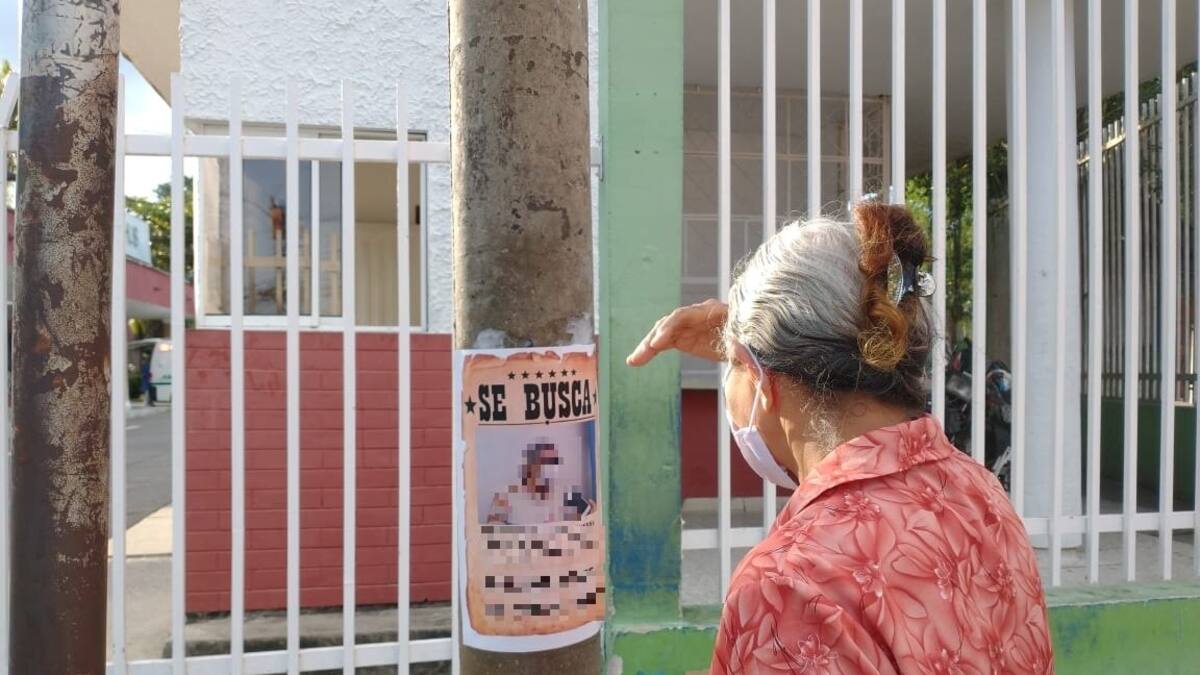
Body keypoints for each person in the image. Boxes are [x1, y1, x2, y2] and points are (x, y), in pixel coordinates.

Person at [628, 203, 1052, 674]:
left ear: (756, 375)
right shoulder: (979, 492)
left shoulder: (789, 587)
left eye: (733, 366)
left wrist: (755, 345)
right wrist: (758, 342)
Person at [486, 442, 595, 525]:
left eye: (554, 463)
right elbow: (492, 530)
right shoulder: (505, 495)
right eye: (544, 462)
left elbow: (591, 516)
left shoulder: (567, 494)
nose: (549, 469)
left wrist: (593, 516)